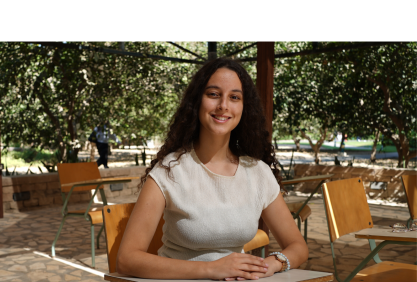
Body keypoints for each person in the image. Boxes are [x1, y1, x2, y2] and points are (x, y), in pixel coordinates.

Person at [116, 58, 308, 280]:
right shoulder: (169, 171)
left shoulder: (257, 173)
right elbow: (127, 259)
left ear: (244, 108)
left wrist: (267, 266)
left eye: (234, 97)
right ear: (197, 101)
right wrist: (211, 269)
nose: (223, 105)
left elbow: (298, 247)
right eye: (214, 94)